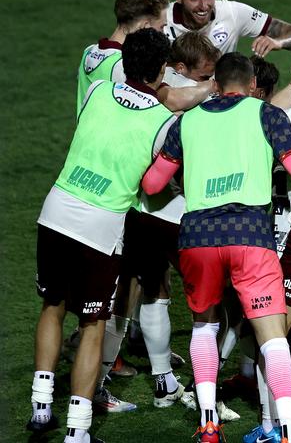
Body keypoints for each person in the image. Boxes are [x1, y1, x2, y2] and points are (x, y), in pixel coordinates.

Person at [141, 52, 291, 443]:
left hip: (199, 238)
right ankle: (290, 433)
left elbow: (153, 184)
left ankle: (208, 423)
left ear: (215, 83)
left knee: (205, 325)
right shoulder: (266, 114)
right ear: (249, 86)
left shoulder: (186, 121)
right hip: (251, 237)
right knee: (273, 337)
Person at [28, 28, 177, 443]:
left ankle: (41, 407)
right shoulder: (165, 124)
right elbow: (152, 186)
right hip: (101, 227)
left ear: (124, 60)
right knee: (93, 324)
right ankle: (78, 431)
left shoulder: (96, 90)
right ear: (161, 69)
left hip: (56, 210)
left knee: (52, 306)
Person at [77, 0, 214, 116]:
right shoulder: (126, 65)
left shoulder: (89, 52)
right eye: (161, 27)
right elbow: (172, 100)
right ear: (145, 26)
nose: (163, 33)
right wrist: (210, 85)